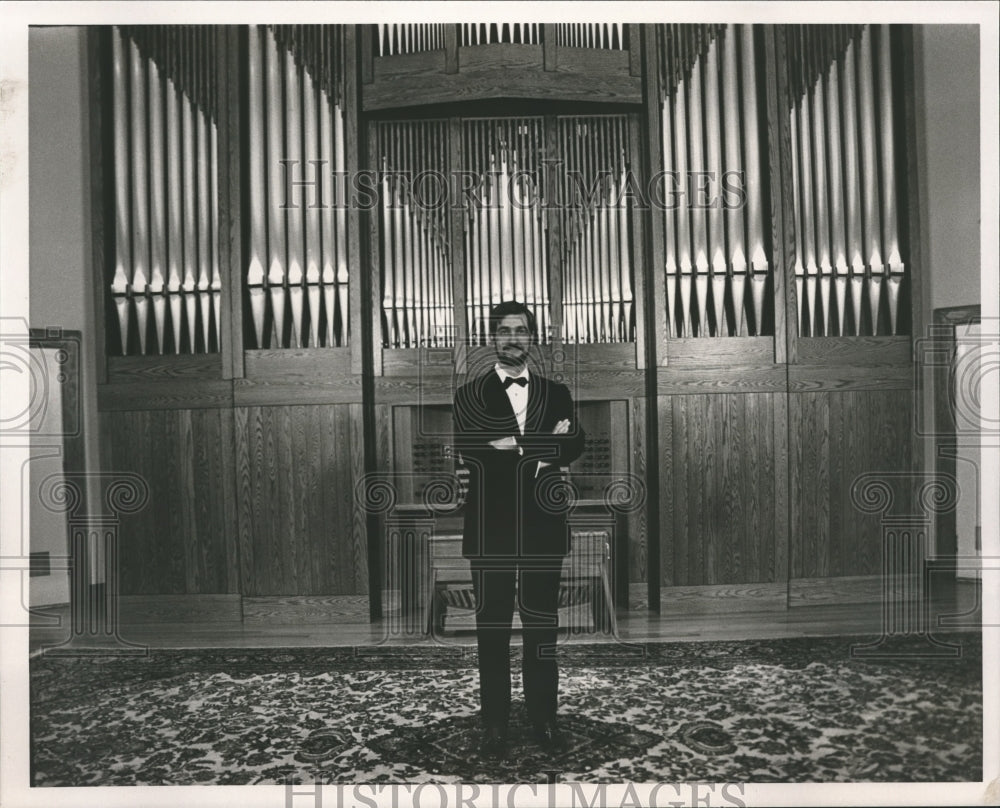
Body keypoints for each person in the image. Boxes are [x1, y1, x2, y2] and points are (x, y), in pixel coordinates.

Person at [452, 300, 586, 760]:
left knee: (541, 632)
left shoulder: (558, 392)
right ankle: (494, 725)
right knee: (492, 633)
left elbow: (576, 443)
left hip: (542, 530)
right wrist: (546, 446)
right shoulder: (468, 396)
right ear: (492, 338)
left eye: (521, 330)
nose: (513, 337)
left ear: (532, 338)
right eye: (504, 330)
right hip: (489, 532)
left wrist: (515, 444)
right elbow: (474, 451)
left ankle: (544, 719)